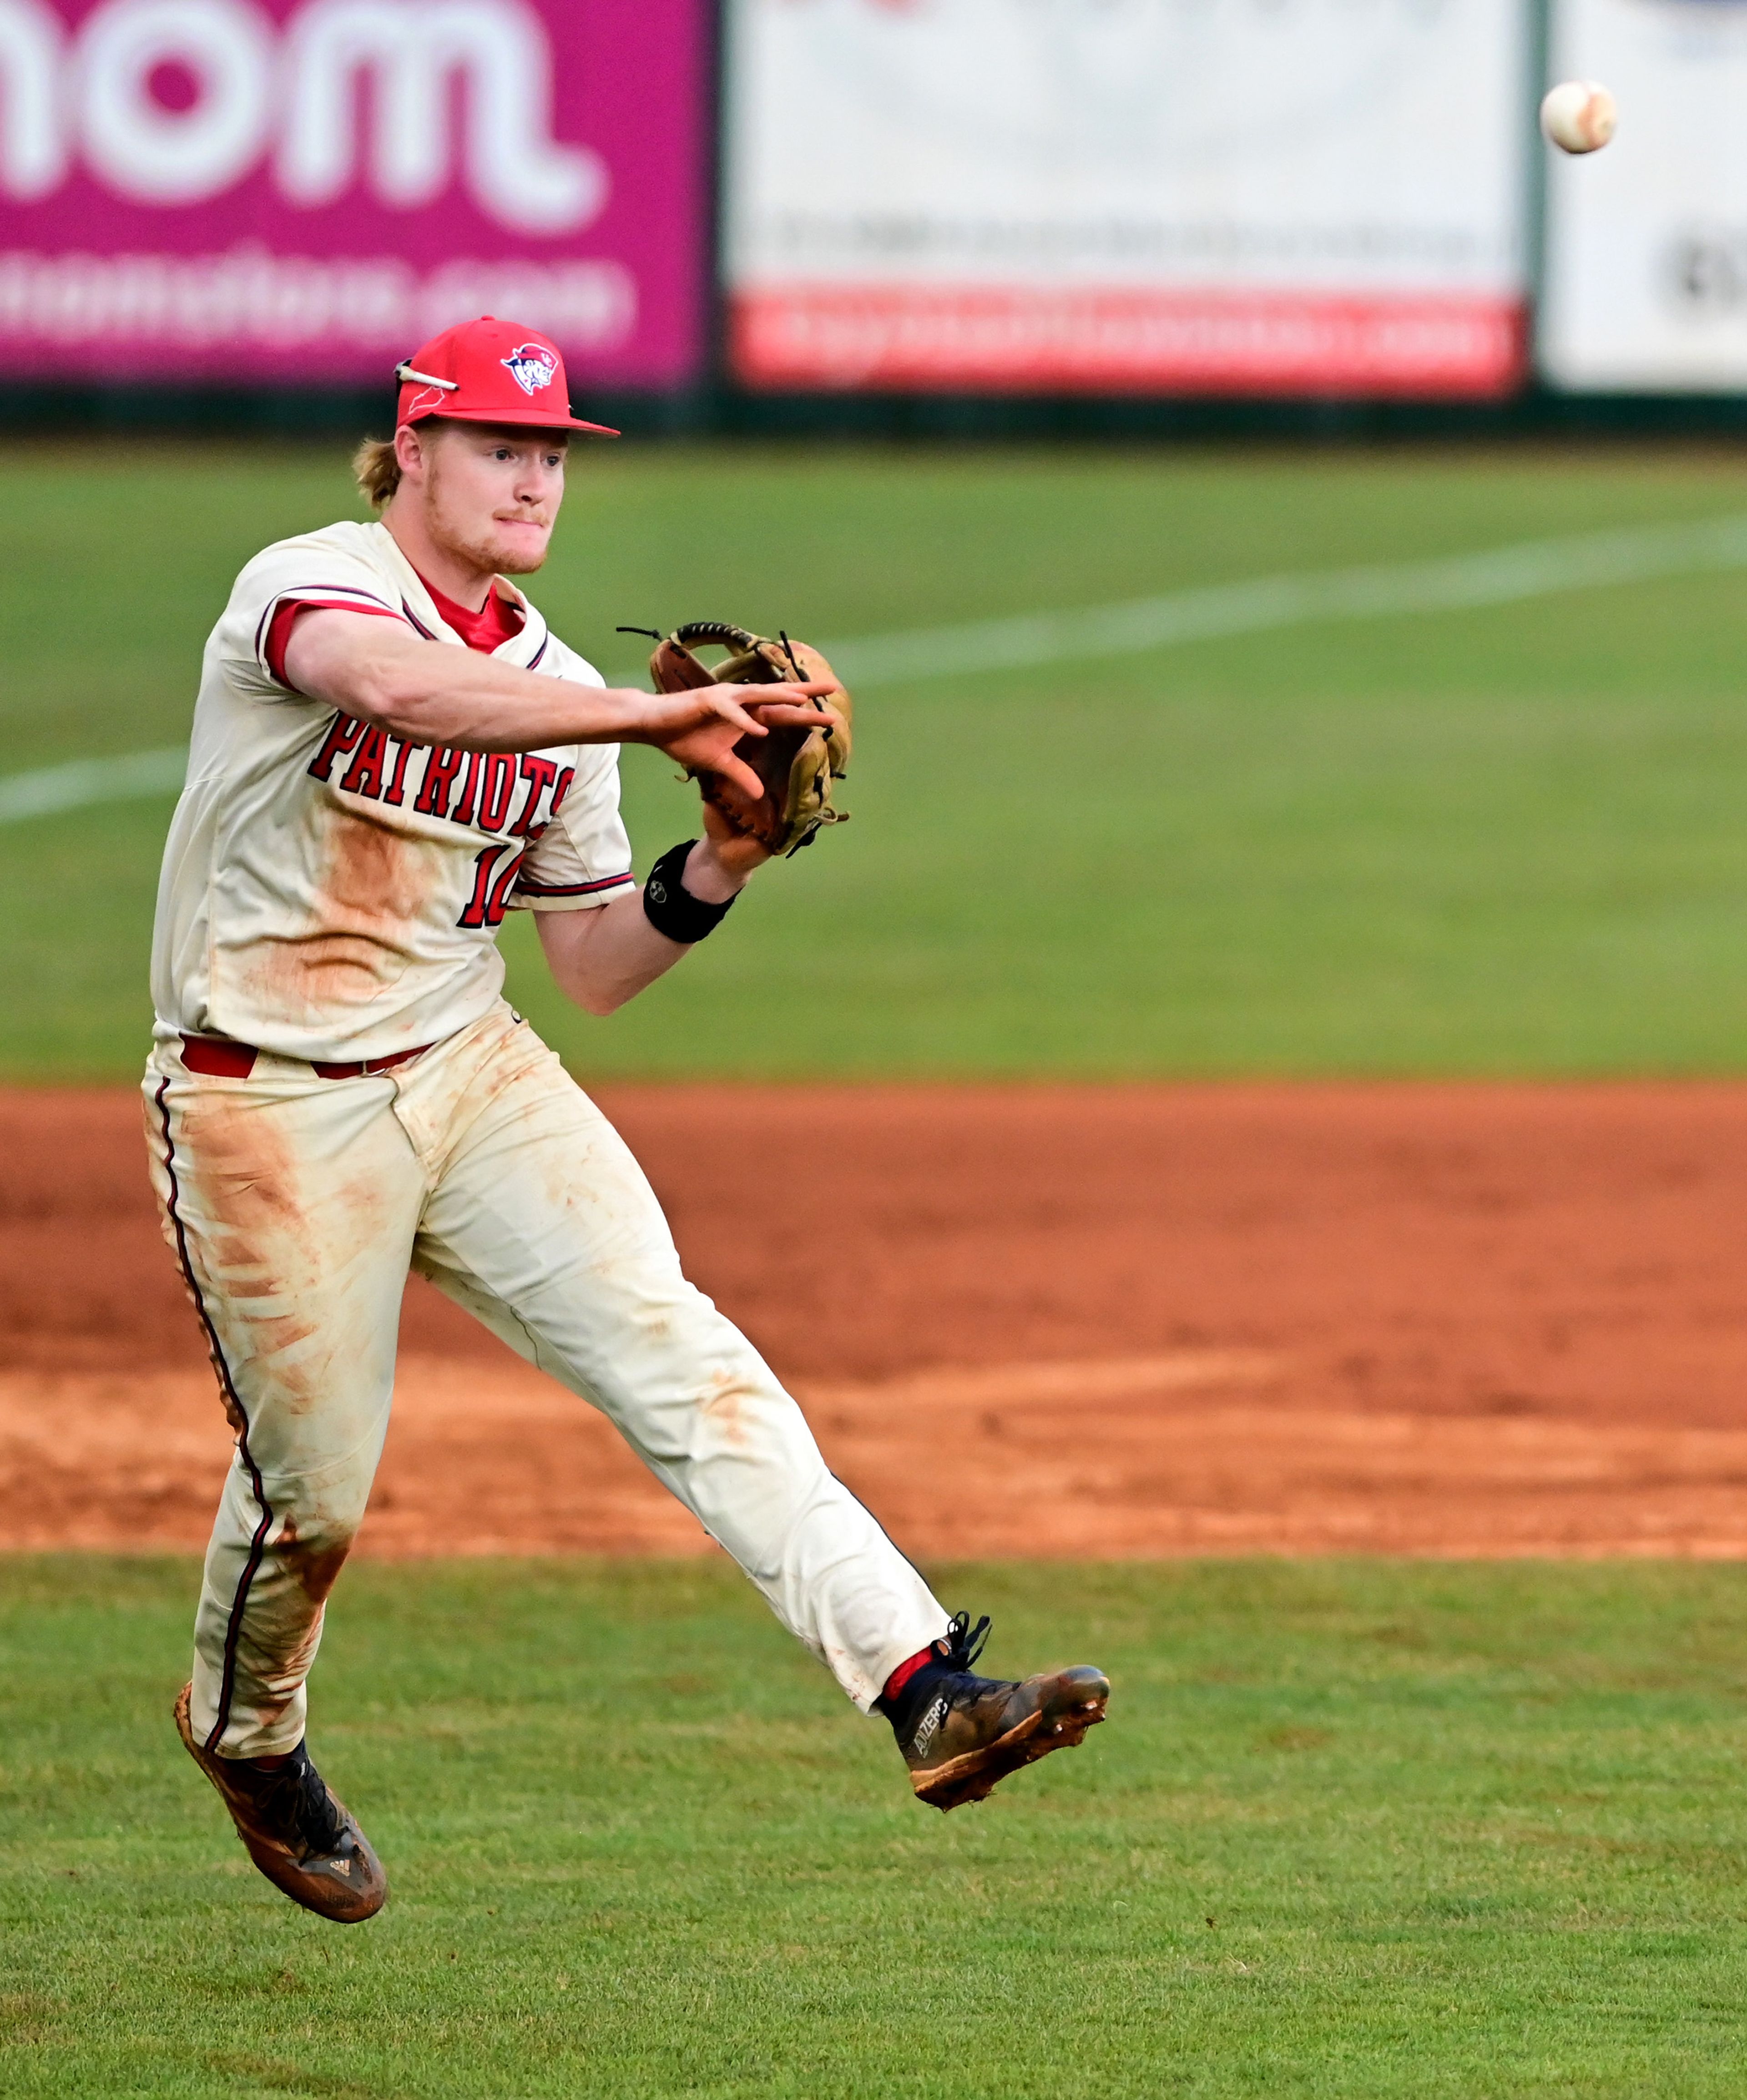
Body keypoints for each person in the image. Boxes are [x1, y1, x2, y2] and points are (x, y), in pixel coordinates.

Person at [146, 316, 1109, 1924]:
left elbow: (592, 961)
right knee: (313, 1490)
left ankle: (926, 1685)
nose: (535, 479)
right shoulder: (306, 587)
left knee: (684, 1356)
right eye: (500, 447)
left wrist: (723, 861)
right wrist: (655, 726)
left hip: (470, 1067)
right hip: (265, 1105)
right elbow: (395, 688)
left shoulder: (560, 690)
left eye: (554, 455)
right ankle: (248, 1731)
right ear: (413, 449)